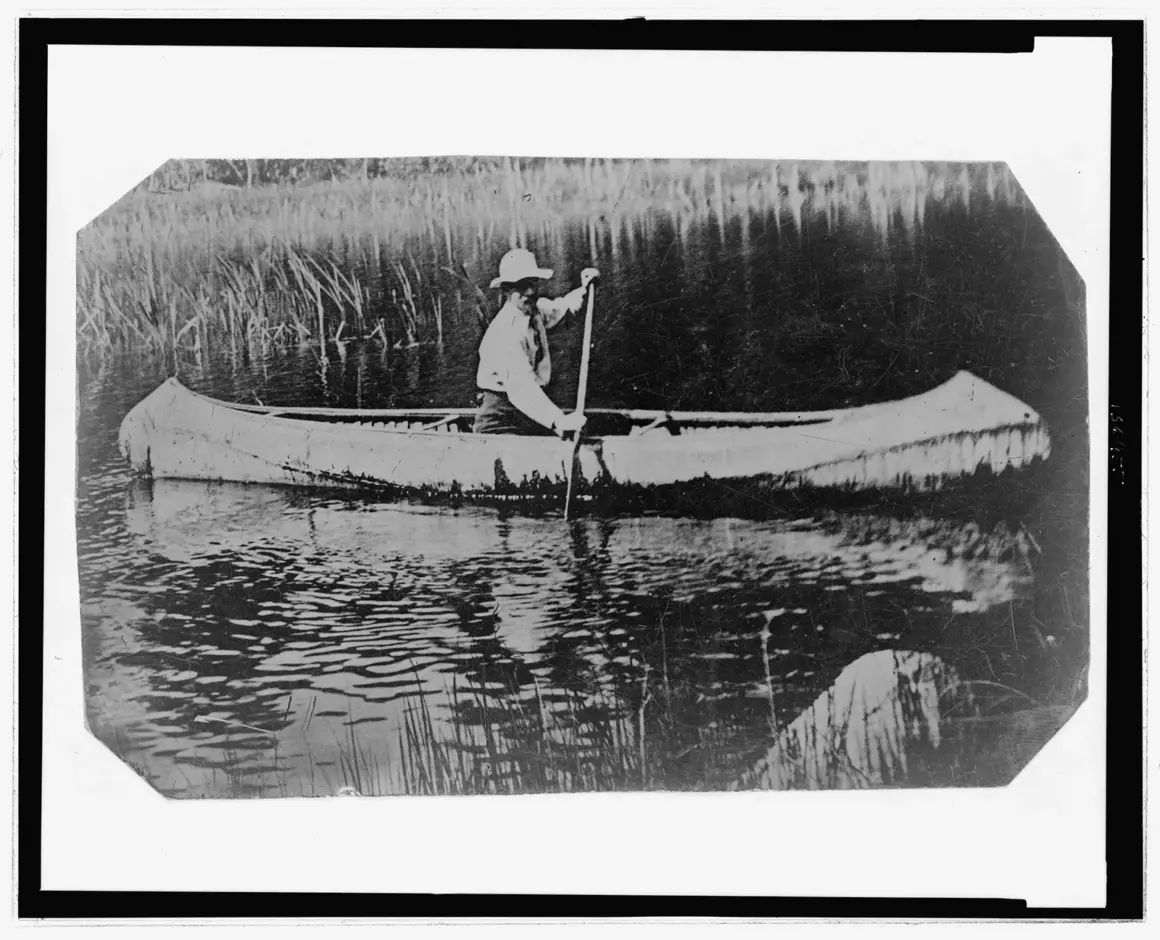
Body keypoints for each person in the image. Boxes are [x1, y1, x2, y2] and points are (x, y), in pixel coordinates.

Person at [473, 248, 600, 436]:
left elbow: (563, 307)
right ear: (507, 289)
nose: (530, 291)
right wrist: (557, 420)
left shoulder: (534, 310)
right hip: (500, 422)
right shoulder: (505, 332)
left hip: (527, 412)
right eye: (522, 285)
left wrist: (586, 287)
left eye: (533, 283)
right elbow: (520, 388)